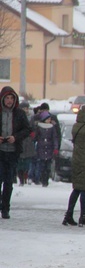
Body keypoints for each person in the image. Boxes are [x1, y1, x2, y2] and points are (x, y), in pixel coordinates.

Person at [0, 86, 31, 218]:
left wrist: (15, 137)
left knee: (8, 181)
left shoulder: (19, 113)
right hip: (0, 152)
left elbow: (27, 129)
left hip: (13, 152)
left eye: (11, 98)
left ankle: (5, 208)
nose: (9, 101)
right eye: (7, 98)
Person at [34, 111, 59, 187]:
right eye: (48, 119)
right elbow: (36, 137)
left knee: (48, 166)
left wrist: (55, 148)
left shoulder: (52, 127)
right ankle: (41, 179)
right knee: (41, 165)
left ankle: (46, 180)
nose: (49, 120)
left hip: (49, 148)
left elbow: (54, 138)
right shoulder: (39, 127)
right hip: (41, 147)